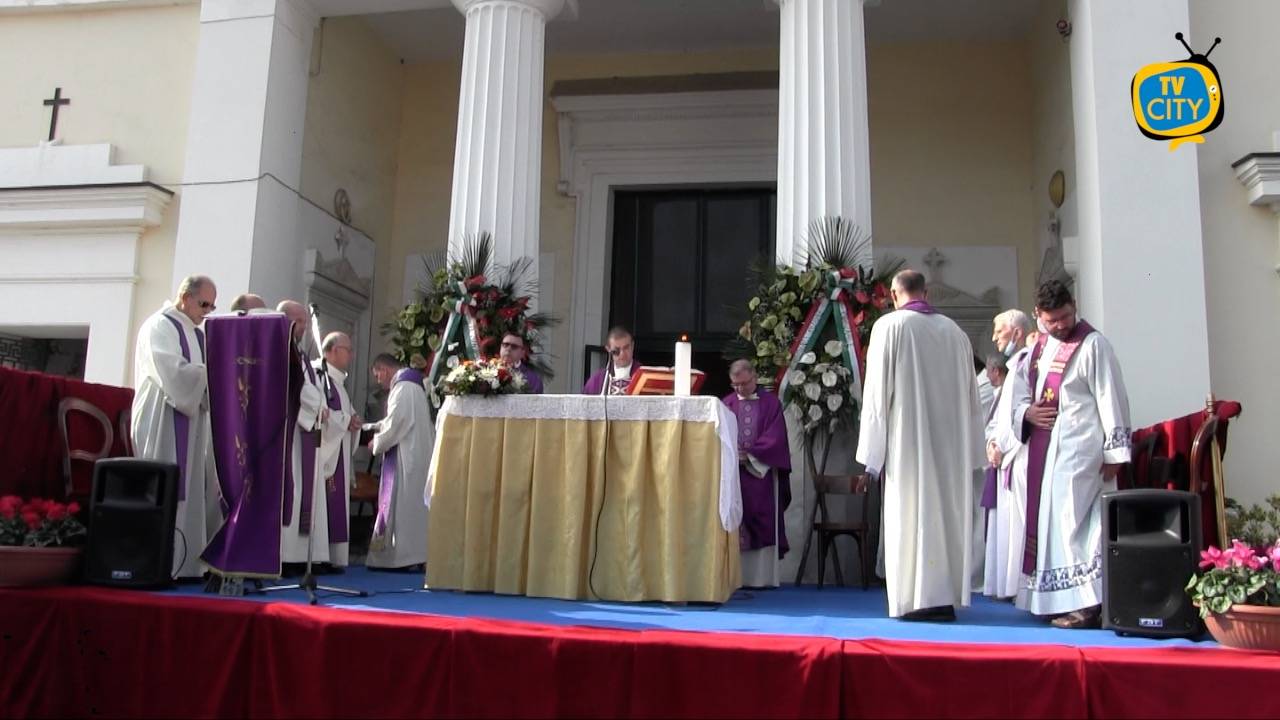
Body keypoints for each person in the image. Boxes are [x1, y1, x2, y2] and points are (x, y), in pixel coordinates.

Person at [855, 269, 985, 621]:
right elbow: (974, 399)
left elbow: (877, 396)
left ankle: (915, 598)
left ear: (895, 295)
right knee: (946, 514)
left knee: (911, 512)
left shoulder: (890, 327)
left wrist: (871, 458)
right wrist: (975, 450)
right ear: (926, 293)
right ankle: (943, 598)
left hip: (908, 442)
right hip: (951, 446)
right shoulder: (956, 334)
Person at [1009, 281, 1131, 628]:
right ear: (1038, 316)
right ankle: (1056, 599)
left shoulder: (1093, 345)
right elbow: (1017, 397)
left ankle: (1088, 604)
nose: (1061, 325)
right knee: (1052, 527)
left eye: (1065, 316)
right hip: (1046, 456)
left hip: (1081, 450)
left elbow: (1112, 397)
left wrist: (1115, 452)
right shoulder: (1037, 350)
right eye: (1052, 320)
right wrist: (1026, 414)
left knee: (1076, 524)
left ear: (1074, 305)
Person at [131, 274, 221, 579]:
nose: (208, 310)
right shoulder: (160, 325)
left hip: (190, 416)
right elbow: (172, 372)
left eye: (212, 305)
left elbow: (200, 377)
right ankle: (158, 563)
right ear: (185, 297)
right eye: (204, 303)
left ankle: (185, 564)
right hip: (163, 416)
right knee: (166, 484)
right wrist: (211, 373)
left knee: (190, 485)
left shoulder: (196, 334)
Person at [721, 359, 791, 588]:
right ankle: (733, 578)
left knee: (762, 517)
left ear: (755, 378)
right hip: (733, 477)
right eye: (735, 385)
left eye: (744, 383)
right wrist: (731, 455)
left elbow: (776, 437)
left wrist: (750, 455)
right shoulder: (726, 404)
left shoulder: (771, 404)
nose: (740, 389)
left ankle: (761, 579)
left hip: (760, 475)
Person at [367, 353, 432, 570]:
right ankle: (414, 556)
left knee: (404, 507)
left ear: (384, 370)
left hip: (407, 458)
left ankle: (403, 559)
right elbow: (397, 420)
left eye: (378, 376)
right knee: (412, 508)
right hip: (415, 453)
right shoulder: (413, 385)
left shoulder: (403, 387)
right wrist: (372, 427)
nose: (379, 381)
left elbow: (396, 424)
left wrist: (375, 443)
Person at [277, 300, 329, 569]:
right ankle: (285, 555)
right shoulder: (281, 350)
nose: (304, 328)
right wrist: (318, 407)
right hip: (289, 431)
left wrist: (320, 405)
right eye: (300, 322)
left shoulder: (300, 353)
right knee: (292, 486)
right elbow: (298, 388)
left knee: (302, 487)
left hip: (303, 429)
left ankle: (298, 557)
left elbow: (312, 387)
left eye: (306, 323)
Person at [314, 332, 361, 570]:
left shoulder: (338, 383)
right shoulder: (317, 376)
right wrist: (345, 420)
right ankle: (319, 556)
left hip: (338, 451)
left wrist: (352, 422)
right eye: (347, 349)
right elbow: (317, 413)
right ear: (332, 350)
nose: (351, 355)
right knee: (321, 503)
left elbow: (344, 415)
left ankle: (332, 557)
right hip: (323, 454)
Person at [583, 326, 636, 395]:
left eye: (626, 348)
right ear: (608, 349)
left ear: (632, 346)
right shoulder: (597, 380)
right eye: (617, 350)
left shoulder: (644, 376)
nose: (622, 354)